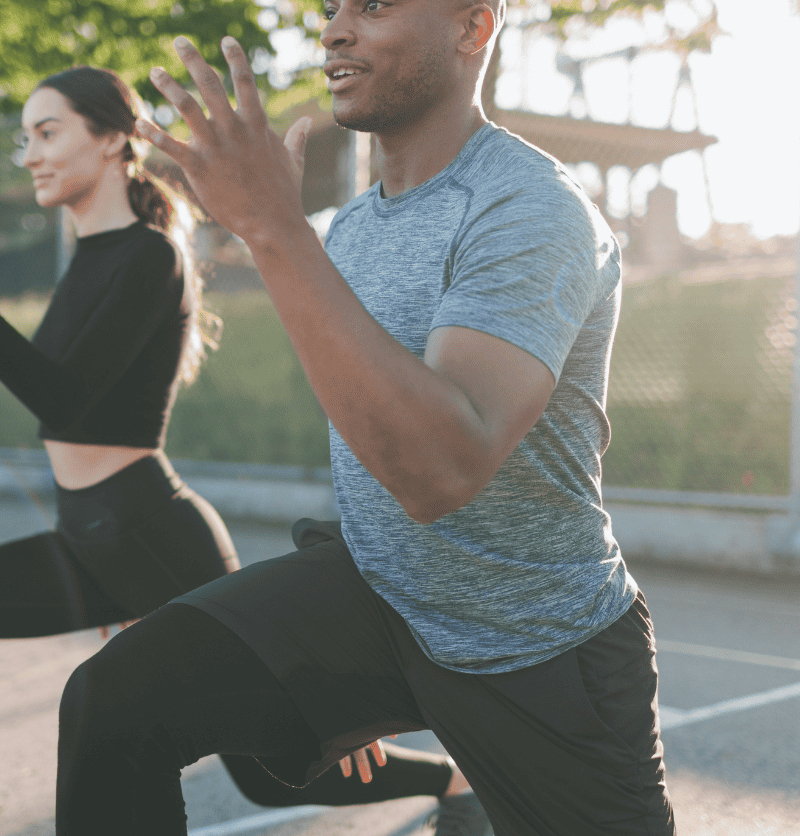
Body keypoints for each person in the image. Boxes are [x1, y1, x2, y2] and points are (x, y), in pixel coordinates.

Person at [52, 2, 675, 834]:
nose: (335, 30)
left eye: (372, 5)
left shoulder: (531, 209)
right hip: (380, 599)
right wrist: (328, 666)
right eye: (331, 8)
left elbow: (441, 470)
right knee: (114, 700)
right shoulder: (351, 229)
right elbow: (369, 439)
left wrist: (273, 228)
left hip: (535, 644)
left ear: (472, 28)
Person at [0, 66, 475, 836]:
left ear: (112, 140)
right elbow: (54, 395)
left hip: (153, 536)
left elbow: (62, 400)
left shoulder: (150, 255)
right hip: (87, 540)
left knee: (269, 774)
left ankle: (453, 780)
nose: (30, 155)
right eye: (24, 139)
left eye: (48, 133)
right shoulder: (91, 256)